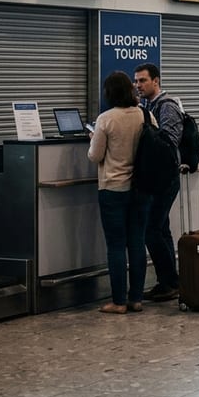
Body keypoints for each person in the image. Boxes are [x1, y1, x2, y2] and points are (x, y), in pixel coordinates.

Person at [88, 71, 151, 315]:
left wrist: (93, 138)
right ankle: (136, 299)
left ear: (109, 93)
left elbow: (95, 156)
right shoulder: (145, 115)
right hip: (141, 188)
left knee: (116, 245)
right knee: (137, 243)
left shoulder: (106, 119)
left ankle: (118, 302)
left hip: (113, 189)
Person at [133, 63, 182, 302]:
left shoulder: (166, 106)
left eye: (143, 80)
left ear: (156, 81)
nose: (138, 85)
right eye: (136, 81)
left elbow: (169, 141)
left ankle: (170, 281)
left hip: (165, 177)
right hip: (158, 177)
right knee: (161, 228)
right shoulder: (146, 106)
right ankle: (170, 281)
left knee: (151, 229)